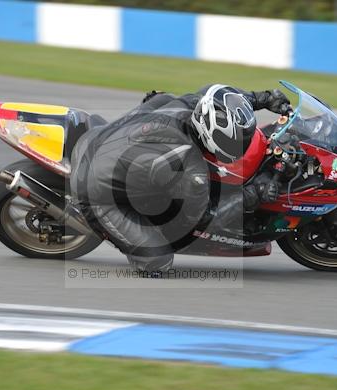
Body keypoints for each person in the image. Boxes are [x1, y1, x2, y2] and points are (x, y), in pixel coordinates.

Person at [70, 84, 291, 275]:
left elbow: (221, 97)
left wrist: (265, 98)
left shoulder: (194, 105)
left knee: (162, 99)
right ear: (213, 136)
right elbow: (204, 219)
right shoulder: (190, 166)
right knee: (158, 262)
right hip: (94, 188)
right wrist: (253, 194)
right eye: (237, 142)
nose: (241, 147)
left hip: (105, 139)